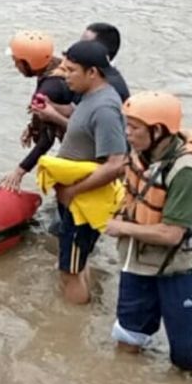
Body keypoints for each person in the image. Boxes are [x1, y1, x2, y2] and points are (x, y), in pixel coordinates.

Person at [104, 92, 192, 372]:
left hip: (179, 267)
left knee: (189, 362)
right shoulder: (142, 152)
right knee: (128, 340)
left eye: (134, 128)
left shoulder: (186, 170)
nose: (127, 133)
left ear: (158, 130)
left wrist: (120, 227)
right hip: (137, 260)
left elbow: (172, 234)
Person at [43, 40, 128, 305]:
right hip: (75, 201)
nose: (64, 76)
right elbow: (80, 121)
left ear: (92, 72)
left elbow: (117, 164)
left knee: (69, 271)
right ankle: (85, 305)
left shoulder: (105, 108)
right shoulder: (92, 97)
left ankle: (71, 325)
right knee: (77, 264)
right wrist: (52, 108)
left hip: (83, 203)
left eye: (71, 70)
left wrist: (72, 192)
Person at [0, 30, 74, 192]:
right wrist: (33, 126)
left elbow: (46, 141)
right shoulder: (59, 67)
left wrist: (19, 172)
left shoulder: (47, 90)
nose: (15, 66)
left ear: (28, 62)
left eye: (17, 61)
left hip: (79, 143)